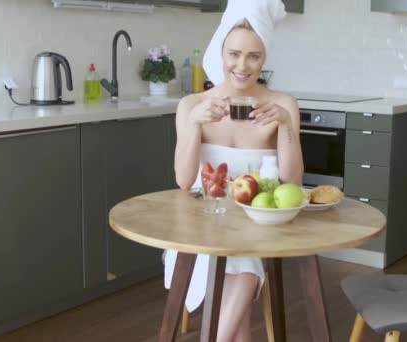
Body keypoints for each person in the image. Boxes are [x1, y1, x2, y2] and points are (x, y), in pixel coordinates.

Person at [165, 0, 303, 341]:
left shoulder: (282, 104)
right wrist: (194, 126)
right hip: (201, 229)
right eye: (234, 54)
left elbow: (292, 181)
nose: (242, 65)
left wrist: (284, 125)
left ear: (264, 58)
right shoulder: (191, 106)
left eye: (253, 56)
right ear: (221, 52)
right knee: (238, 286)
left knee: (243, 268)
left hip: (257, 228)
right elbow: (184, 181)